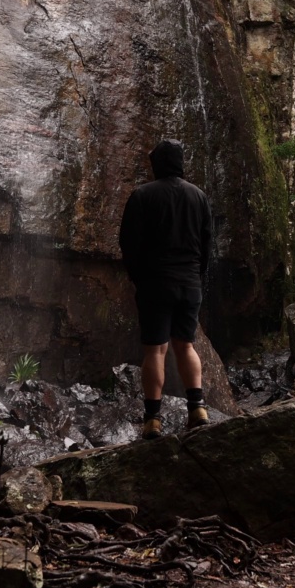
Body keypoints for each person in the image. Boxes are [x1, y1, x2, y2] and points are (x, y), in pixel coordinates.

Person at [118, 139, 215, 439]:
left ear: (157, 164)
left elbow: (128, 243)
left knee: (155, 350)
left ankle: (152, 420)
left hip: (155, 283)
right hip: (189, 283)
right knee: (185, 345)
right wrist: (197, 276)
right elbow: (208, 243)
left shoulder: (142, 195)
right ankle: (197, 408)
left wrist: (139, 277)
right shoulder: (198, 196)